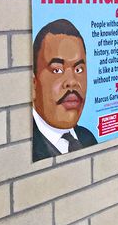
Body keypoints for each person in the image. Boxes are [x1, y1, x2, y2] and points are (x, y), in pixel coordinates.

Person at [32, 18, 97, 162]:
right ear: (33, 84)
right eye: (57, 70)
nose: (72, 82)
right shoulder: (27, 145)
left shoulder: (88, 138)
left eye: (79, 69)